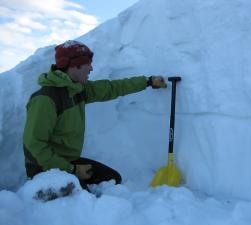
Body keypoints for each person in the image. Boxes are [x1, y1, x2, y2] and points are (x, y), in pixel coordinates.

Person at [23, 40, 167, 189]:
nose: (91, 68)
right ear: (74, 66)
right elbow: (35, 145)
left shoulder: (78, 89)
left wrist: (148, 81)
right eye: (88, 64)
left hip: (68, 162)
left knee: (112, 179)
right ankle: (44, 194)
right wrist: (72, 170)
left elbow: (111, 88)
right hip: (46, 169)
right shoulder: (45, 100)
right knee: (84, 205)